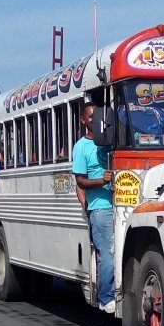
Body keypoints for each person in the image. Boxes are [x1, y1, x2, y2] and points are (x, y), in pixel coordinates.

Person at [72, 102, 115, 313]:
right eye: (90, 118)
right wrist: (101, 181)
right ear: (83, 121)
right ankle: (106, 297)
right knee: (107, 252)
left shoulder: (111, 140)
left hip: (122, 201)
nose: (95, 121)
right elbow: (80, 181)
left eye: (97, 117)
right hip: (100, 207)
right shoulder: (81, 147)